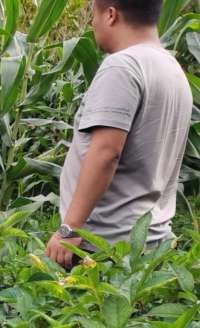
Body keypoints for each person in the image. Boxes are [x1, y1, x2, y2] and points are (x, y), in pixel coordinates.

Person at [46, 0, 191, 268]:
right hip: (152, 242)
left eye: (94, 15)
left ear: (111, 14)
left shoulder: (123, 66)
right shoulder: (172, 69)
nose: (92, 23)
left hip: (105, 248)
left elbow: (106, 153)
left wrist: (71, 229)